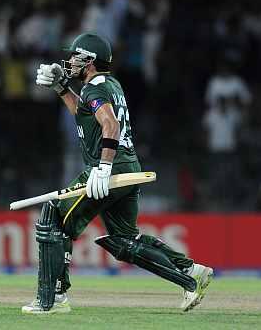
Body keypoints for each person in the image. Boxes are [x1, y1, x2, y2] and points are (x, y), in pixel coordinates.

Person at [21, 33, 213, 314]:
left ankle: (53, 299)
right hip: (127, 166)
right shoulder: (108, 84)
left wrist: (103, 167)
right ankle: (190, 273)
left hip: (108, 168)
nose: (71, 61)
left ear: (89, 60)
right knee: (125, 240)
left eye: (76, 56)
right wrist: (62, 87)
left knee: (54, 219)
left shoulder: (93, 88)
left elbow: (110, 126)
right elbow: (85, 112)